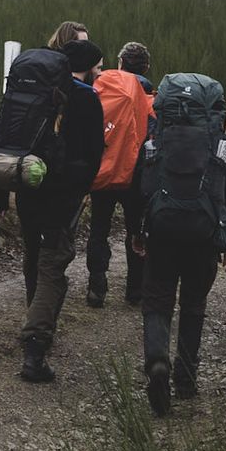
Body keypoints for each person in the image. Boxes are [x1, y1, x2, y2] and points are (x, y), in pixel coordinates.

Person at [0, 38, 105, 383]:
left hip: (26, 183)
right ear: (86, 66)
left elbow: (4, 142)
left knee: (33, 253)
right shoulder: (86, 97)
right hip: (63, 192)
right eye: (98, 66)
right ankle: (35, 347)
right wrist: (83, 189)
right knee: (53, 262)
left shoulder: (28, 93)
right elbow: (94, 152)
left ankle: (33, 319)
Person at [134, 73, 226, 415]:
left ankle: (156, 363)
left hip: (162, 230)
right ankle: (186, 378)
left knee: (157, 299)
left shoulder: (153, 142)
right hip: (204, 233)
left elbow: (142, 191)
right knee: (194, 304)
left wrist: (139, 231)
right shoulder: (222, 145)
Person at [85, 41, 154, 307]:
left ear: (120, 62)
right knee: (136, 231)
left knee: (99, 228)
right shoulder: (149, 97)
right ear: (146, 68)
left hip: (103, 170)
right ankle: (135, 290)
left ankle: (96, 286)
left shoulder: (102, 87)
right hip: (135, 175)